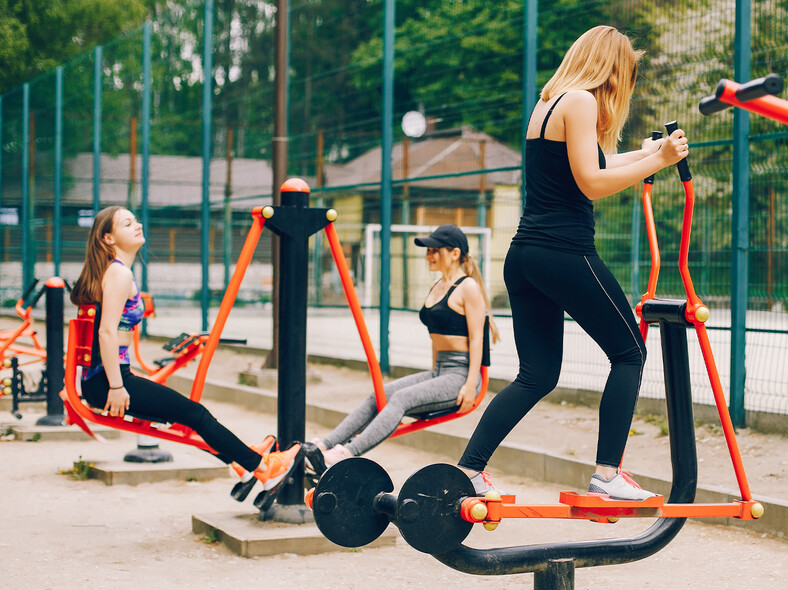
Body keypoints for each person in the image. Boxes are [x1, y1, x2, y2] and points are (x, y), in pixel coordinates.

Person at [456, 25, 689, 500]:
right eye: (626, 76)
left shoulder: (549, 103)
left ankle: (468, 471)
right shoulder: (582, 101)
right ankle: (607, 475)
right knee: (629, 353)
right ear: (611, 69)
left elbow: (591, 165)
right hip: (564, 251)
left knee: (536, 375)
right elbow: (591, 183)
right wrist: (659, 161)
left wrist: (642, 154)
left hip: (525, 256)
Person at [69, 206, 298, 493]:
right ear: (108, 239)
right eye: (128, 224)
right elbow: (106, 332)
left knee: (188, 418)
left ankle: (239, 458)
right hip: (109, 381)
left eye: (136, 220)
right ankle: (263, 469)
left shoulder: (116, 272)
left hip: (106, 377)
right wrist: (117, 386)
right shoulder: (118, 274)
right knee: (195, 414)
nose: (138, 225)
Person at [305, 224, 497, 475]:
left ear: (455, 253)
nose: (429, 255)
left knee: (401, 399)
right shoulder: (438, 285)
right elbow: (435, 338)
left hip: (460, 375)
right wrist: (431, 378)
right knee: (379, 394)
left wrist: (471, 385)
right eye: (428, 250)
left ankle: (343, 455)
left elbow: (477, 339)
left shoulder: (468, 288)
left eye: (434, 250)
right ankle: (324, 446)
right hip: (439, 372)